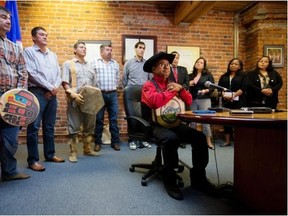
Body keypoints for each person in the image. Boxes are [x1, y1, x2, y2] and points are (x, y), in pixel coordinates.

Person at [142, 52, 215, 201]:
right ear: (153, 69)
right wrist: (173, 91)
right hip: (155, 125)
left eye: (167, 65)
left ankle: (198, 179)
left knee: (199, 137)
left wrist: (180, 89)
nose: (166, 67)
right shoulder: (148, 86)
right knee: (171, 139)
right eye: (162, 65)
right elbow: (155, 101)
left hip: (174, 123)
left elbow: (188, 100)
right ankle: (170, 181)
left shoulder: (173, 84)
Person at [24, 26, 65, 172]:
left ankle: (50, 154)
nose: (45, 37)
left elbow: (58, 74)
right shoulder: (28, 52)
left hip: (51, 94)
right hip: (36, 92)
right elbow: (31, 73)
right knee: (33, 127)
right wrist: (50, 87)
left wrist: (54, 88)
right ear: (34, 37)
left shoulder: (52, 55)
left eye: (46, 34)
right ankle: (33, 160)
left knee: (49, 126)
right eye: (41, 34)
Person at [0, 6, 30, 181]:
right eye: (3, 17)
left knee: (10, 139)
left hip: (11, 99)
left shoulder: (15, 47)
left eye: (9, 18)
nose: (8, 21)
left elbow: (23, 72)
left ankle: (9, 172)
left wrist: (19, 95)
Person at [62, 41, 99, 163]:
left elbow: (94, 83)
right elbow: (65, 82)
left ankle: (87, 148)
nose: (84, 49)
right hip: (75, 98)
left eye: (85, 47)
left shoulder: (90, 65)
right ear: (75, 50)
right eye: (81, 47)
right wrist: (71, 94)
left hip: (89, 99)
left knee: (89, 125)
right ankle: (73, 152)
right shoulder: (68, 64)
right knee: (74, 126)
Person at [122, 41, 152, 150]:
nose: (142, 50)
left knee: (145, 117)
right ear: (135, 49)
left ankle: (143, 140)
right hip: (132, 94)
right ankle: (132, 140)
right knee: (133, 117)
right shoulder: (129, 63)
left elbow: (150, 79)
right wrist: (128, 90)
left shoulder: (147, 64)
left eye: (143, 48)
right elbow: (124, 79)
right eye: (140, 47)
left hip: (144, 93)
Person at [91, 44, 121, 152]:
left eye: (111, 50)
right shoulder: (94, 62)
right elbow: (91, 78)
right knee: (99, 119)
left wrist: (113, 88)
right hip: (99, 94)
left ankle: (115, 142)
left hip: (112, 94)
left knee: (113, 119)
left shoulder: (115, 64)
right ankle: (97, 142)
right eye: (107, 50)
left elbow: (117, 79)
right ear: (101, 52)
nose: (110, 52)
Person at [218, 58, 246, 147]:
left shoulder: (244, 76)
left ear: (239, 66)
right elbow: (220, 88)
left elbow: (244, 88)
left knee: (239, 121)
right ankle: (227, 141)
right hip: (226, 102)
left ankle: (239, 141)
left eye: (236, 64)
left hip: (239, 101)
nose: (233, 65)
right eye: (231, 63)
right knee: (226, 122)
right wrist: (223, 94)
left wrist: (233, 96)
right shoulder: (224, 76)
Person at [188, 57, 215, 150]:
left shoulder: (208, 75)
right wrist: (189, 83)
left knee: (205, 121)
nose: (199, 63)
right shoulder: (190, 75)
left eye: (201, 63)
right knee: (192, 121)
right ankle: (192, 139)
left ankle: (208, 141)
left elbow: (212, 87)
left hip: (205, 99)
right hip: (193, 99)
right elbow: (186, 86)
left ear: (204, 66)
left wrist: (205, 90)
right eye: (197, 62)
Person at [168, 51, 189, 148]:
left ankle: (182, 140)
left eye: (177, 57)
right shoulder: (166, 69)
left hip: (182, 97)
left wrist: (179, 88)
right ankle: (173, 139)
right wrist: (173, 90)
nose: (175, 59)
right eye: (173, 57)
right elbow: (166, 83)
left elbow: (187, 83)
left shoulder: (183, 69)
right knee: (173, 118)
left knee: (183, 119)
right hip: (171, 98)